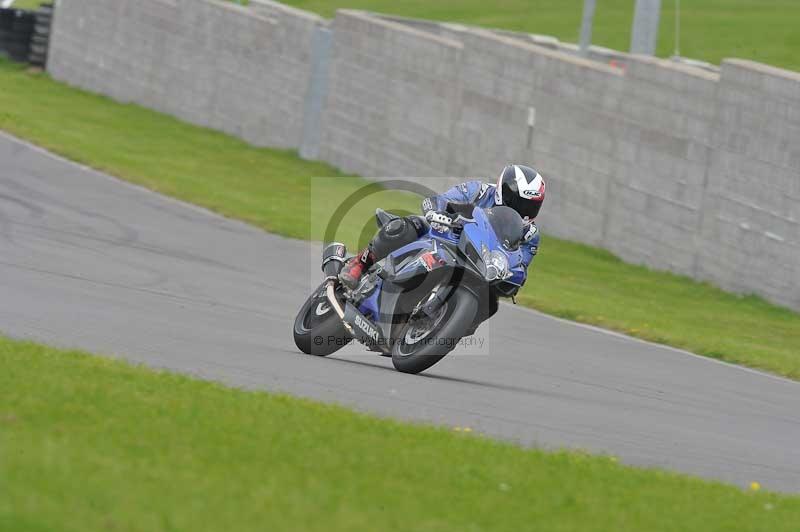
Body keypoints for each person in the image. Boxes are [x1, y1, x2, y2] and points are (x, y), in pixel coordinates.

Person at [339, 164, 545, 289]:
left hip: (480, 268)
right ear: (503, 191)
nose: (524, 210)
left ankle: (433, 330)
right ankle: (359, 264)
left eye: (531, 205)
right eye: (519, 202)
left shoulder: (530, 234)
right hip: (446, 236)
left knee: (491, 304)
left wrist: (512, 278)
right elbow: (442, 200)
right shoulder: (480, 191)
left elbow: (521, 268)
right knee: (410, 224)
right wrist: (436, 212)